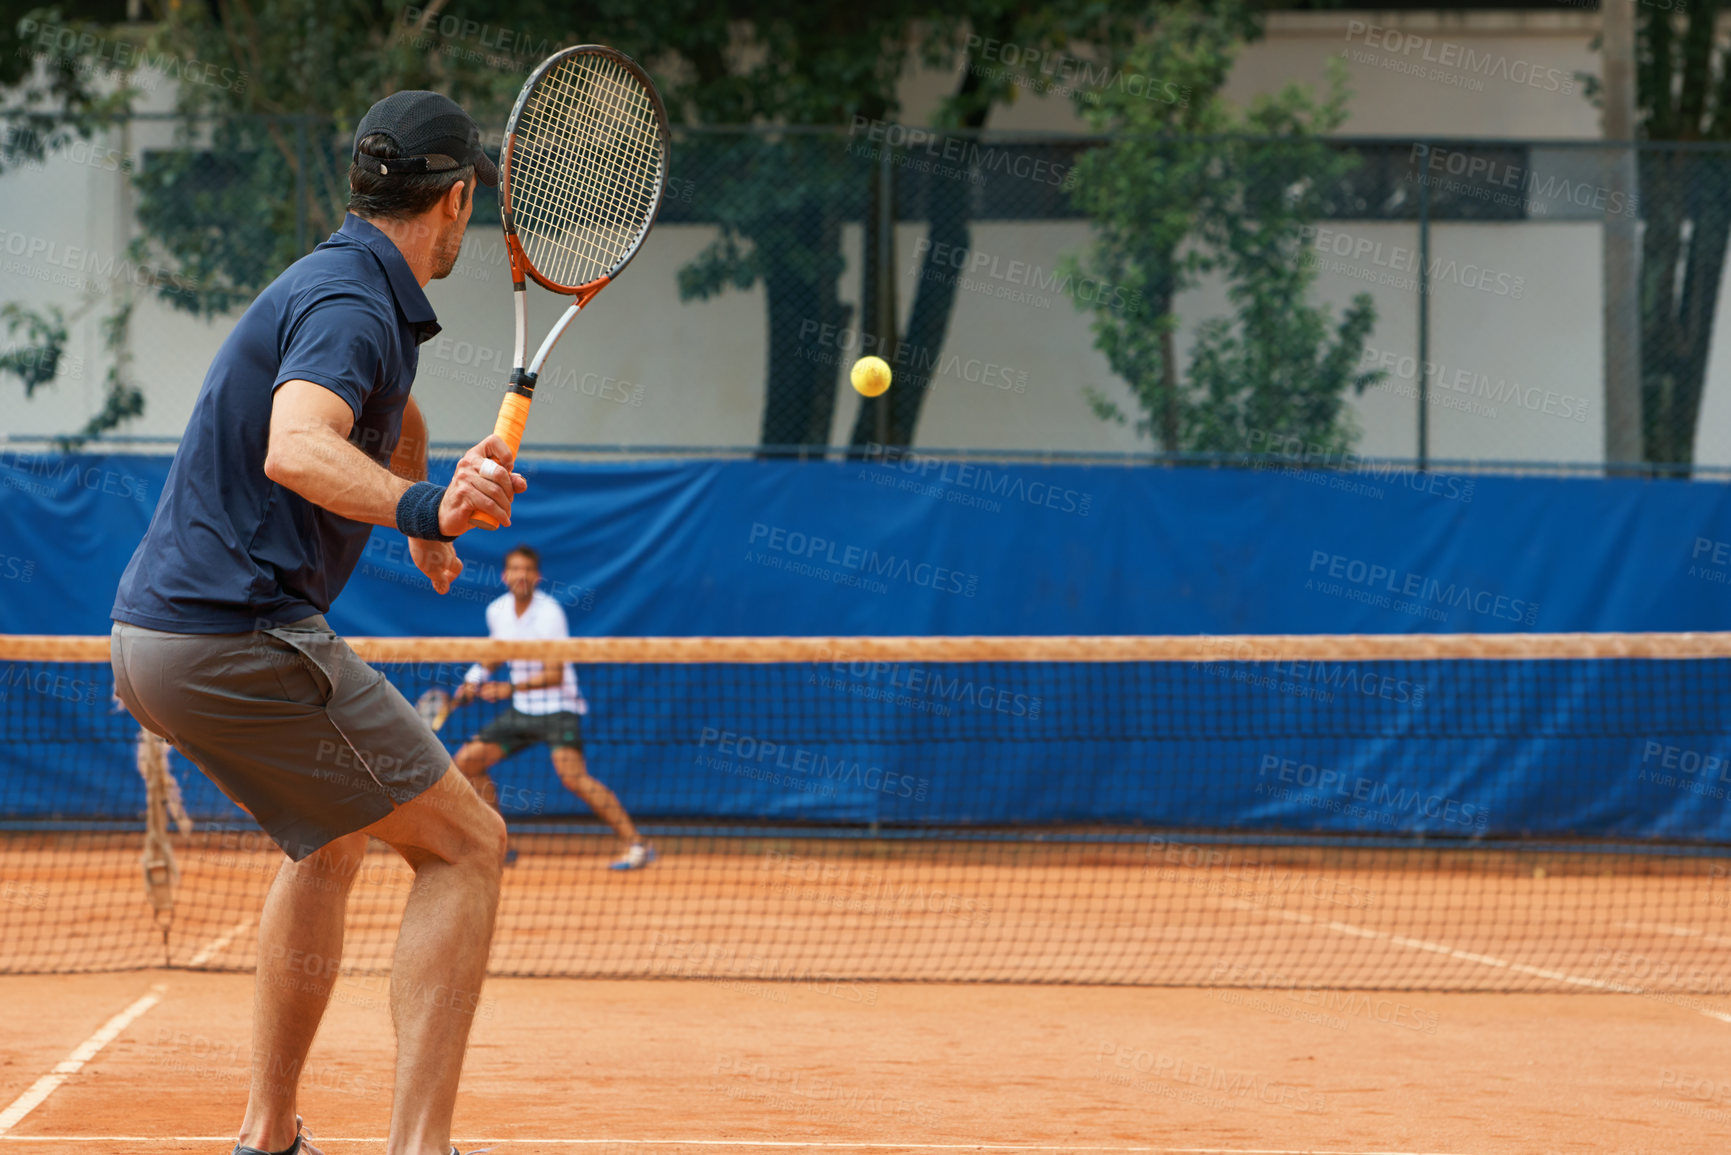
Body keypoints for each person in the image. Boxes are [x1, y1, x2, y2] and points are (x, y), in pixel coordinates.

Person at [109, 91, 517, 1155]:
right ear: (458, 197)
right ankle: (420, 1148)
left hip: (155, 641)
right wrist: (422, 506)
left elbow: (392, 409)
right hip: (234, 632)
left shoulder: (348, 286)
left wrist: (422, 505)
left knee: (331, 842)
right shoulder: (353, 304)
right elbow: (296, 445)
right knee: (470, 847)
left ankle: (268, 1135)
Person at [454, 544, 655, 871]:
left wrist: (509, 687)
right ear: (505, 576)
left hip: (558, 707)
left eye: (527, 570)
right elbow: (497, 652)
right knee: (467, 761)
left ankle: (638, 844)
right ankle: (499, 844)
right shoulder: (497, 610)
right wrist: (473, 678)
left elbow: (555, 672)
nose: (521, 575)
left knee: (574, 778)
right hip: (523, 710)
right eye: (515, 569)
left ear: (537, 576)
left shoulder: (550, 613)